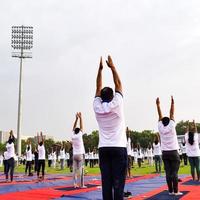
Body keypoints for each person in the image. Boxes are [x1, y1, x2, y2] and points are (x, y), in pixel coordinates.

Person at [93, 56, 127, 200]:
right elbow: (118, 83)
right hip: (118, 148)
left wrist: (100, 70)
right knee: (118, 185)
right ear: (113, 96)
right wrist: (112, 67)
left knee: (106, 184)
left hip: (104, 149)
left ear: (101, 96)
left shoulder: (97, 107)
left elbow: (97, 87)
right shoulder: (117, 104)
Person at [156, 96, 182, 196]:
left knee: (168, 173)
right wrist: (172, 104)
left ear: (162, 122)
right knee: (174, 172)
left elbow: (160, 115)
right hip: (173, 152)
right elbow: (172, 114)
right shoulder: (171, 126)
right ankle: (176, 191)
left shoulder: (160, 127)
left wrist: (158, 105)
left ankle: (170, 191)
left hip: (165, 153)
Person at [71, 112, 85, 188]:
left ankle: (74, 184)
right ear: (79, 131)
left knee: (75, 170)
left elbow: (73, 127)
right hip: (80, 154)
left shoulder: (73, 135)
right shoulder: (80, 135)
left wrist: (76, 119)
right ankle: (82, 185)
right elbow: (81, 126)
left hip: (74, 155)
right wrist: (80, 118)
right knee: (81, 170)